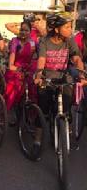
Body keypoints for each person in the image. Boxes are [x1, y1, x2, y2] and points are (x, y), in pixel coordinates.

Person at [34, 12, 85, 156]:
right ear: (56, 29)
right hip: (47, 78)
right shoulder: (44, 41)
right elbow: (42, 60)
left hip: (64, 78)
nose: (70, 30)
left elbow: (76, 58)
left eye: (70, 27)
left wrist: (81, 73)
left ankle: (64, 132)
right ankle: (37, 141)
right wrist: (38, 75)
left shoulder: (70, 40)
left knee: (66, 108)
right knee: (43, 110)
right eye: (67, 27)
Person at [4, 21, 37, 112]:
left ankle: (31, 117)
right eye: (22, 30)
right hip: (15, 69)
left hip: (28, 70)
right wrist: (18, 69)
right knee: (12, 92)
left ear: (30, 32)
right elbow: (11, 64)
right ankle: (7, 113)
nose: (24, 32)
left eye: (26, 30)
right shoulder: (15, 41)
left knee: (33, 91)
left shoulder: (33, 43)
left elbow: (37, 58)